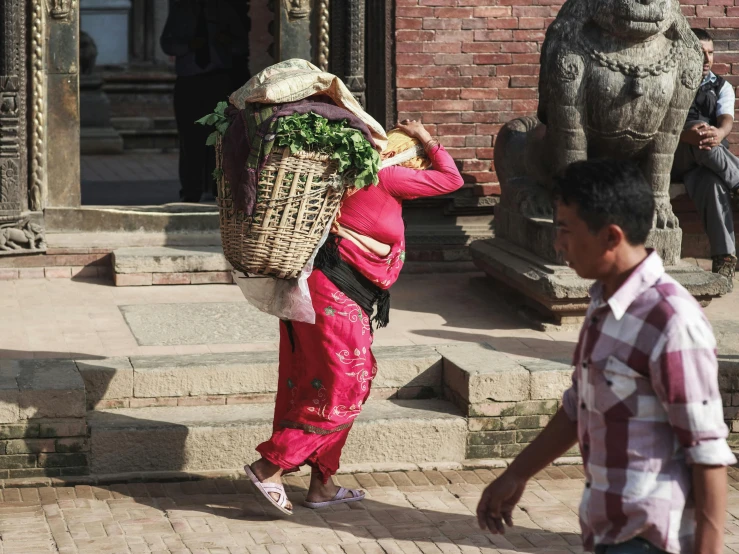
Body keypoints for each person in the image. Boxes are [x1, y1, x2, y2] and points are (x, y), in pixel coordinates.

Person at [477, 159, 735, 554]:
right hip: (606, 529)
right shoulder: (603, 301)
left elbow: (707, 452)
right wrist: (516, 474)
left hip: (650, 538)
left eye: (564, 229)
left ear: (611, 236)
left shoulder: (670, 320)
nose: (557, 242)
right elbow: (579, 405)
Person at [244, 120, 465, 514]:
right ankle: (270, 466)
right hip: (333, 289)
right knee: (347, 382)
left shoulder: (356, 173)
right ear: (406, 158)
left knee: (322, 379)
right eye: (418, 161)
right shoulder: (388, 175)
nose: (419, 173)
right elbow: (451, 179)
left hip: (331, 289)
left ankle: (322, 484)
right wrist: (429, 139)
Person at [160, 0, 249, 203]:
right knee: (190, 138)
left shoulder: (224, 9)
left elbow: (242, 44)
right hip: (189, 82)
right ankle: (191, 190)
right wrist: (189, 45)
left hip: (218, 79)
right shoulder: (180, 9)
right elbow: (166, 44)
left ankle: (219, 189)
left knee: (220, 136)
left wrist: (225, 41)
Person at [672, 28, 738, 290]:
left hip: (707, 162)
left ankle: (723, 260)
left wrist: (719, 133)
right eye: (700, 52)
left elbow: (726, 119)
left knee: (712, 184)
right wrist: (682, 134)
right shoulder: (669, 81)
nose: (706, 59)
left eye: (710, 53)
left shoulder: (722, 86)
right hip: (673, 157)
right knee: (701, 136)